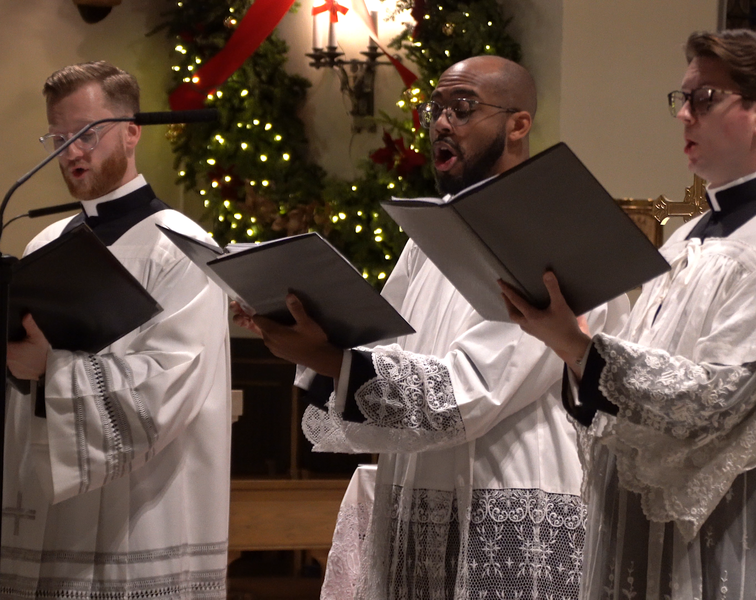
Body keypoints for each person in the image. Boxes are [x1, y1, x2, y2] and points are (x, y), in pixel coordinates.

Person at [233, 55, 629, 599]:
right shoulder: (433, 232)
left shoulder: (548, 231)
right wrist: (302, 322)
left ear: (518, 124)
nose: (442, 123)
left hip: (510, 505)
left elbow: (470, 392)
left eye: (463, 108)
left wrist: (335, 361)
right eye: (435, 109)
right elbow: (384, 343)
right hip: (418, 495)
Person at [500, 29, 756, 599]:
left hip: (731, 521)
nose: (684, 115)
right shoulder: (683, 240)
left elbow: (723, 400)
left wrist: (582, 350)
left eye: (705, 98)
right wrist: (575, 342)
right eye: (681, 99)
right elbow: (628, 381)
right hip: (637, 518)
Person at [1, 61, 231, 599]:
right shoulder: (46, 244)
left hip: (142, 513)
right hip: (45, 509)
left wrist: (51, 371)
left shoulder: (179, 246)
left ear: (131, 133)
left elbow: (172, 384)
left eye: (86, 134)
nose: (71, 152)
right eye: (58, 137)